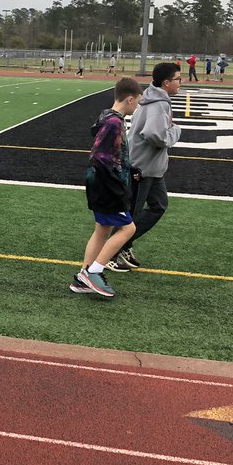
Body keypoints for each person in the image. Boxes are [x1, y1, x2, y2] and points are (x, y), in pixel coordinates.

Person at [70, 77, 143, 297]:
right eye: (137, 101)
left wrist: (129, 169)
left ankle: (83, 276)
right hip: (107, 186)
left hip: (101, 184)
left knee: (102, 230)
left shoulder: (110, 118)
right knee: (128, 229)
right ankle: (94, 272)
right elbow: (100, 158)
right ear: (129, 99)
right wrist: (119, 183)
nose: (137, 106)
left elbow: (113, 155)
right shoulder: (114, 122)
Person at [107, 62, 182, 272]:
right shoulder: (159, 104)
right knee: (131, 213)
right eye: (178, 79)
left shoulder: (155, 99)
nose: (180, 83)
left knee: (158, 205)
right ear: (166, 83)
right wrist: (176, 132)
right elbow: (154, 135)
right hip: (142, 168)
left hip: (152, 168)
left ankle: (124, 244)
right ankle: (112, 250)